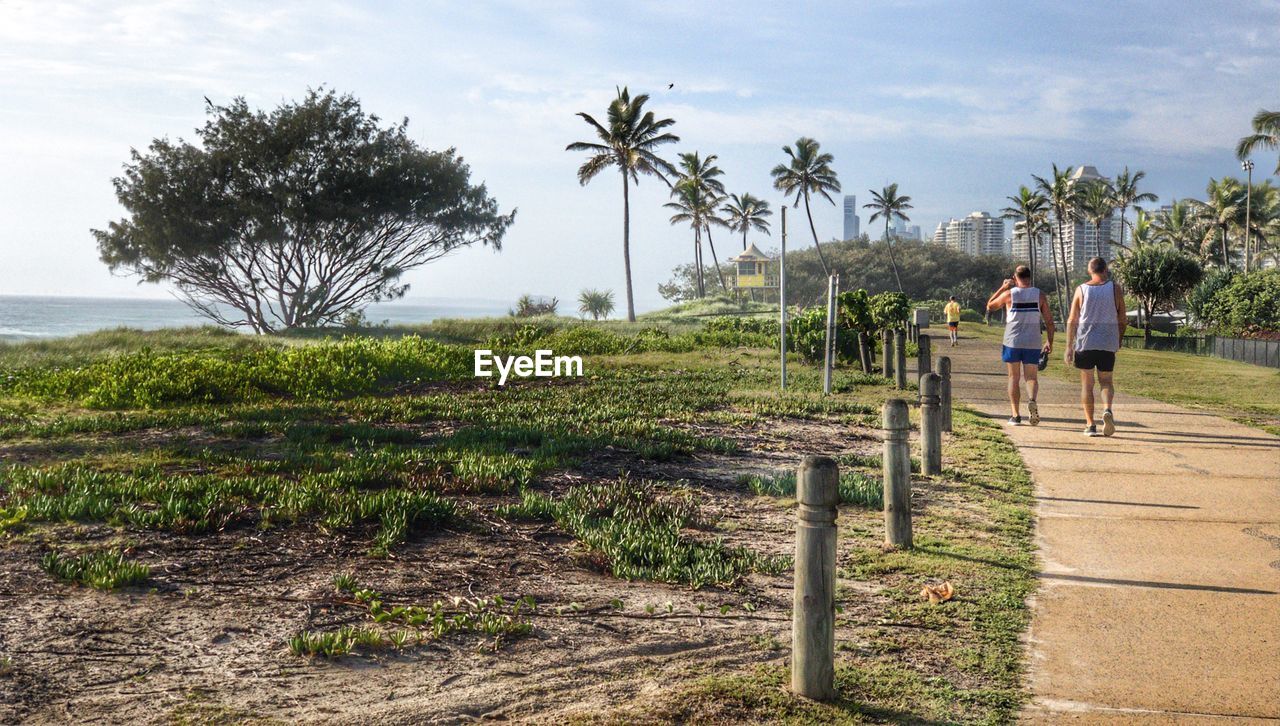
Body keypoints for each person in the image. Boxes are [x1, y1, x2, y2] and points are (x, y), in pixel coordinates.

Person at [1065, 257, 1126, 437]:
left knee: (1087, 384)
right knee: (1106, 382)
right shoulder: (1115, 289)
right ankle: (1107, 409)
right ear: (1105, 270)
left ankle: (1090, 425)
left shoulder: (1081, 290)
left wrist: (1069, 346)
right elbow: (1122, 319)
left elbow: (1072, 319)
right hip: (1107, 343)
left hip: (1085, 343)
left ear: (1089, 271)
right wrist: (1119, 338)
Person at [987, 265, 1054, 426]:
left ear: (1015, 278)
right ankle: (1031, 399)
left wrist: (1002, 287)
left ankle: (1015, 415)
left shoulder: (1009, 294)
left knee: (1013, 378)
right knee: (1031, 377)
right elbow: (1050, 322)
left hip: (1013, 341)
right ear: (1029, 277)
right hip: (1032, 341)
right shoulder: (1040, 295)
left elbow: (990, 306)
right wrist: (1049, 341)